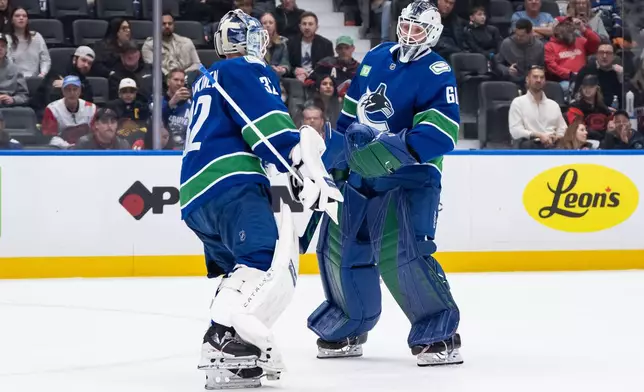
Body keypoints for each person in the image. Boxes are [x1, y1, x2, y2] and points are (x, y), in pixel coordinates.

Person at [180, 9, 342, 389]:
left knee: (243, 266)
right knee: (262, 257)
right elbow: (266, 125)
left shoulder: (208, 78)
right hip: (231, 182)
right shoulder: (247, 69)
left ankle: (236, 344)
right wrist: (299, 161)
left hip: (196, 195)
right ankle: (224, 340)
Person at [307, 0, 463, 367]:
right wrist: (331, 164)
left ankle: (437, 330)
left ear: (433, 33)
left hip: (411, 174)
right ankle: (349, 321)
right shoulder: (376, 56)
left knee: (403, 251)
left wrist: (396, 149)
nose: (410, 34)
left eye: (418, 29)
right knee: (339, 245)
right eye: (406, 26)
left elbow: (443, 132)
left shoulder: (437, 70)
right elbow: (348, 119)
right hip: (361, 168)